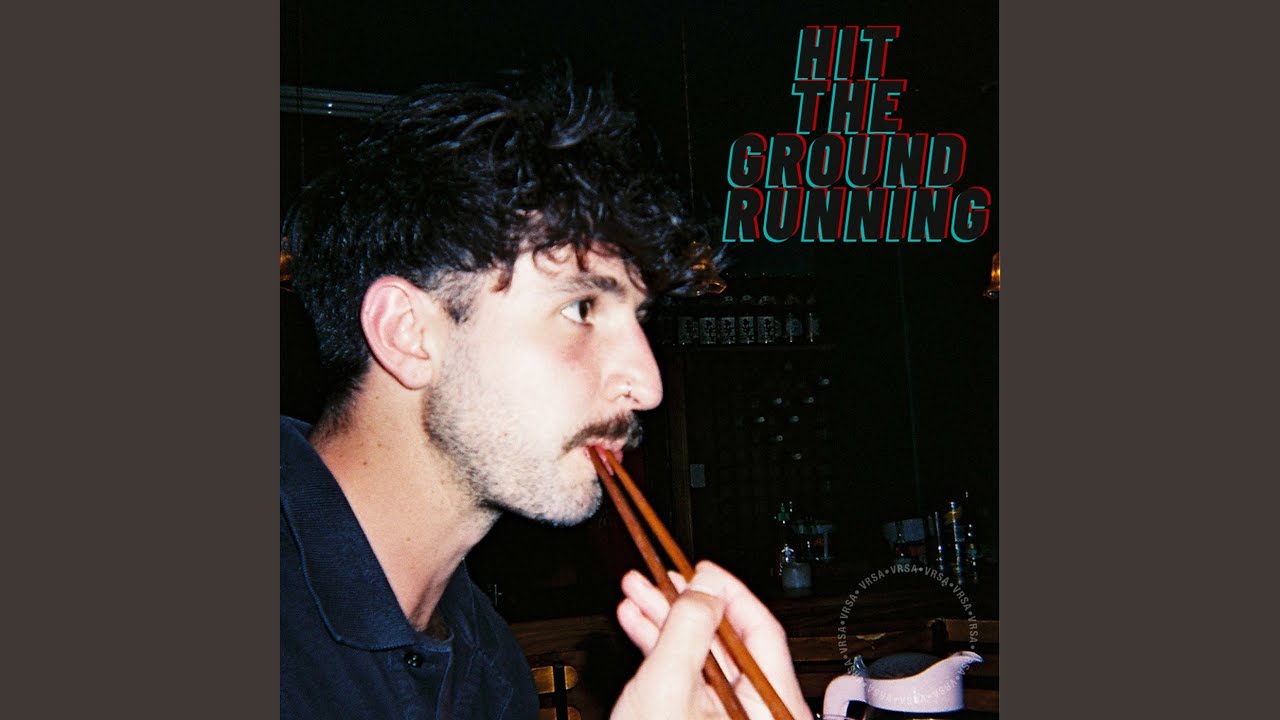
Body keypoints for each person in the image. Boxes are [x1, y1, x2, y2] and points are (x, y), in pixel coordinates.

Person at [280, 70, 811, 720]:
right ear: (407, 333)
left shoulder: (490, 666)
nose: (647, 387)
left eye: (639, 319)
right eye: (582, 308)